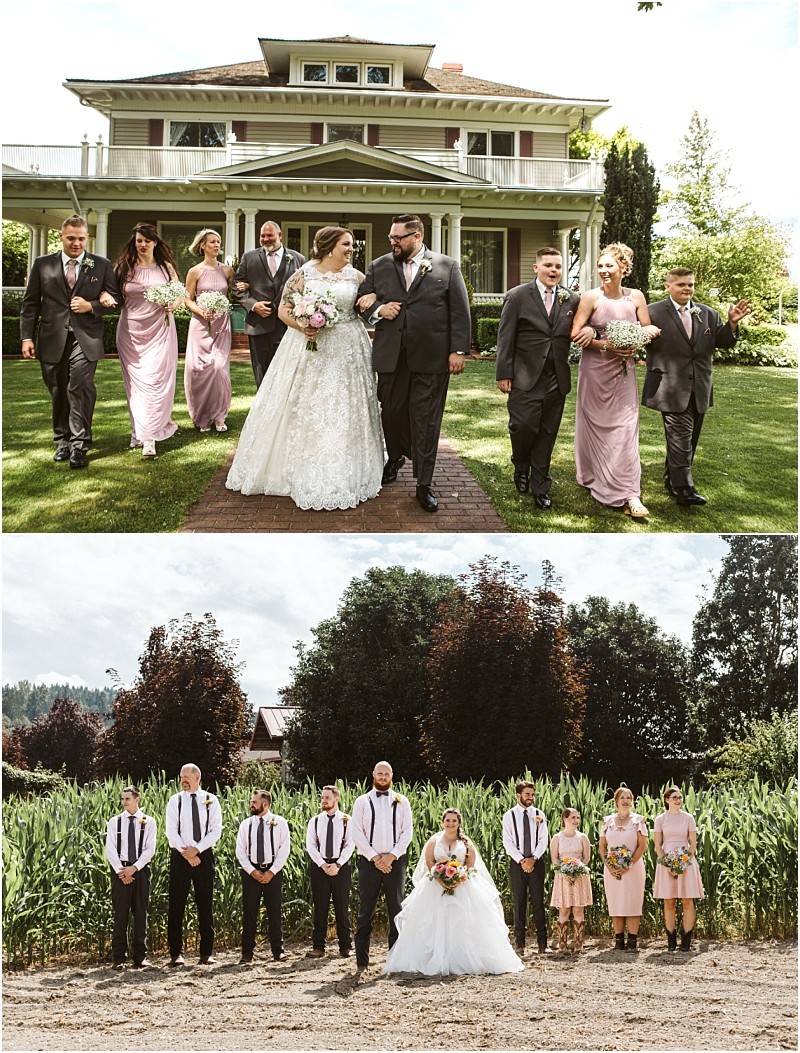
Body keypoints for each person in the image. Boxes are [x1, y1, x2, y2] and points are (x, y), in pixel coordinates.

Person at [226, 227, 383, 509]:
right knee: (307, 403)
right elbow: (285, 309)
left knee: (345, 405)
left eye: (351, 245)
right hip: (309, 348)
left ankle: (345, 465)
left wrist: (372, 300)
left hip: (348, 348)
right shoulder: (303, 274)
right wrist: (303, 324)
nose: (351, 249)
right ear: (329, 246)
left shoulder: (357, 276)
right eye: (346, 244)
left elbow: (369, 303)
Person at [357, 213, 471, 513]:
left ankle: (424, 483)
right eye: (391, 237)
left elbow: (460, 311)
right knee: (391, 413)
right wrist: (381, 310)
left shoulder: (447, 266)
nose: (392, 242)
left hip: (432, 356)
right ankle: (394, 456)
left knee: (426, 419)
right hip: (392, 356)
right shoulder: (379, 265)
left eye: (398, 238)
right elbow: (361, 302)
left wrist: (458, 350)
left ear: (417, 236)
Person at [643, 268, 751, 506]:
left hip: (700, 385)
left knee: (689, 439)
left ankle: (672, 479)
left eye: (690, 284)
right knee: (680, 436)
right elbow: (638, 337)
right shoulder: (652, 312)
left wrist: (731, 323)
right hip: (669, 385)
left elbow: (723, 343)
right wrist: (642, 332)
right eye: (681, 284)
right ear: (667, 286)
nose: (687, 289)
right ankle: (684, 489)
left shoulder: (708, 313)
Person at [20, 214, 120, 469]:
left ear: (87, 238)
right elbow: (30, 304)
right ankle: (61, 441)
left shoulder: (101, 264)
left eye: (81, 239)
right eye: (71, 238)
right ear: (61, 237)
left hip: (85, 339)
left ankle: (80, 445)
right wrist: (27, 337)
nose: (76, 243)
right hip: (51, 338)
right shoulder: (42, 264)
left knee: (80, 387)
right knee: (58, 390)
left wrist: (92, 305)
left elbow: (115, 301)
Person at [571, 243, 660, 519]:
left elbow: (647, 326)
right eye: (600, 266)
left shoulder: (636, 297)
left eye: (609, 265)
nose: (604, 271)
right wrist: (604, 344)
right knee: (595, 427)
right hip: (595, 372)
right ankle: (594, 476)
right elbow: (575, 332)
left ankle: (630, 493)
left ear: (623, 267)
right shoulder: (590, 297)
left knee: (625, 430)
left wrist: (640, 338)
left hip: (624, 372)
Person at [495, 247, 587, 509]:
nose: (553, 271)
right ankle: (520, 465)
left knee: (548, 432)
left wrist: (589, 330)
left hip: (556, 376)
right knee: (523, 426)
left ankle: (540, 484)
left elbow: (583, 324)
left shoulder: (572, 299)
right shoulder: (517, 296)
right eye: (548, 265)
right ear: (536, 268)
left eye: (558, 266)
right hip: (524, 375)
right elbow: (505, 337)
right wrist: (504, 373)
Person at [384, 808, 524, 976]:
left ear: (459, 823)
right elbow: (429, 861)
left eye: (454, 821)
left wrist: (459, 877)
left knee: (464, 923)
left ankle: (462, 959)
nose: (450, 824)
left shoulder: (465, 843)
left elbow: (471, 864)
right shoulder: (434, 841)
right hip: (436, 886)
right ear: (442, 822)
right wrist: (439, 878)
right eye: (447, 820)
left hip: (462, 886)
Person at [113, 222, 181, 459]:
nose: (142, 245)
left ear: (155, 242)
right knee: (136, 385)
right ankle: (140, 431)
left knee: (155, 381)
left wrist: (173, 304)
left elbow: (179, 293)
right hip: (131, 333)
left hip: (160, 330)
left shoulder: (165, 268)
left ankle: (149, 437)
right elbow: (111, 292)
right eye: (139, 241)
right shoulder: (124, 268)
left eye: (146, 240)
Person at [351, 760, 413, 969]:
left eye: (387, 773)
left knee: (396, 910)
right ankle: (362, 963)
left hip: (395, 863)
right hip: (369, 863)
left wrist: (391, 856)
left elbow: (407, 833)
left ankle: (395, 961)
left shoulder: (402, 801)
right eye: (380, 773)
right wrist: (376, 858)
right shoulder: (361, 801)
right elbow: (356, 833)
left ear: (392, 776)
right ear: (373, 775)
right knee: (365, 910)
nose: (383, 777)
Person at [232, 220, 305, 388]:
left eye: (269, 235)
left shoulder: (298, 259)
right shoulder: (249, 257)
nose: (266, 239)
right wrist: (252, 305)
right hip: (258, 325)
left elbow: (307, 288)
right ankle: (262, 411)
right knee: (262, 373)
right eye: (262, 236)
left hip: (287, 326)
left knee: (286, 373)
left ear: (279, 236)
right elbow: (237, 286)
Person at [165, 763, 222, 966]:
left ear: (197, 777)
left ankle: (206, 953)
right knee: (176, 905)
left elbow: (216, 831)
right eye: (181, 777)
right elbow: (171, 831)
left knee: (205, 904)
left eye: (186, 776)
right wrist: (187, 854)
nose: (183, 780)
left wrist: (197, 850)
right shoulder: (175, 801)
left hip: (203, 856)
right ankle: (176, 954)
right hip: (180, 857)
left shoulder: (211, 800)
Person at [183, 228, 234, 433]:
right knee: (199, 369)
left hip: (222, 325)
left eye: (218, 241)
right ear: (202, 245)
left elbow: (234, 293)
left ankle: (220, 415)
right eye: (212, 242)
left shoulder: (227, 271)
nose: (216, 245)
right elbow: (187, 299)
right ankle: (202, 416)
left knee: (219, 368)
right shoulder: (195, 271)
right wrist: (202, 312)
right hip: (200, 325)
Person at [104, 785, 157, 970]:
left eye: (127, 798)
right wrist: (121, 870)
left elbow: (150, 849)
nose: (124, 802)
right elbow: (110, 849)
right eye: (122, 799)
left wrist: (134, 869)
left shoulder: (148, 822)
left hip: (140, 870)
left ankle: (140, 957)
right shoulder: (114, 822)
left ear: (137, 799)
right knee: (121, 915)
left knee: (141, 913)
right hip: (120, 870)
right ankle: (119, 957)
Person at [235, 789, 290, 964]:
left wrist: (272, 871)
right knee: (249, 912)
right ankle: (247, 953)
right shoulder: (246, 824)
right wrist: (251, 871)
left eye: (254, 802)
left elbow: (284, 849)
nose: (251, 804)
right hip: (251, 872)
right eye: (252, 801)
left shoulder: (279, 823)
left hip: (272, 872)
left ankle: (277, 951)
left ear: (265, 804)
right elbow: (240, 850)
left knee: (274, 911)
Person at [305, 785, 354, 959]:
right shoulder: (315, 821)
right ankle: (318, 947)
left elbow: (350, 844)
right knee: (320, 908)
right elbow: (310, 845)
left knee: (342, 907)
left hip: (341, 868)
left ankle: (345, 946)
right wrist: (322, 864)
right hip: (320, 868)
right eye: (322, 797)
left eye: (327, 797)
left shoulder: (347, 820)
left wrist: (338, 864)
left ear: (336, 799)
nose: (323, 800)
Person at [653, 786, 704, 952]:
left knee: (688, 901)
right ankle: (671, 941)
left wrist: (682, 862)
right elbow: (657, 845)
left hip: (686, 861)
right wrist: (668, 864)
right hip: (666, 861)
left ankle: (686, 941)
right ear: (667, 800)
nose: (678, 800)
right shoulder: (660, 819)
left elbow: (693, 844)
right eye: (675, 797)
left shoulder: (688, 818)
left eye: (680, 797)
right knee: (669, 902)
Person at [502, 780, 550, 954]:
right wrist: (522, 860)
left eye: (532, 794)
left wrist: (534, 858)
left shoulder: (539, 814)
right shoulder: (509, 816)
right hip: (517, 864)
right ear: (518, 795)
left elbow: (544, 839)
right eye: (527, 794)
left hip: (537, 863)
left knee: (538, 902)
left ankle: (542, 944)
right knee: (519, 902)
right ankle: (520, 943)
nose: (530, 797)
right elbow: (507, 842)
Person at [598, 786, 648, 952]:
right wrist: (610, 866)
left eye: (629, 798)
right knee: (616, 901)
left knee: (633, 902)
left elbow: (642, 846)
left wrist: (629, 864)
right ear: (616, 801)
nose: (626, 801)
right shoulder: (607, 821)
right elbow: (602, 847)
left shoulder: (638, 821)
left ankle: (632, 940)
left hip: (633, 868)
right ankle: (619, 940)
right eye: (622, 798)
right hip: (612, 869)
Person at [549, 807, 593, 953]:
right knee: (564, 908)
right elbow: (555, 858)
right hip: (563, 877)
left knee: (579, 908)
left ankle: (578, 943)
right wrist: (563, 870)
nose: (576, 821)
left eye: (577, 818)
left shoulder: (582, 837)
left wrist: (577, 869)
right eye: (573, 818)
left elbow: (586, 857)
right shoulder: (557, 838)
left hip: (579, 876)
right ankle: (562, 943)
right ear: (565, 819)